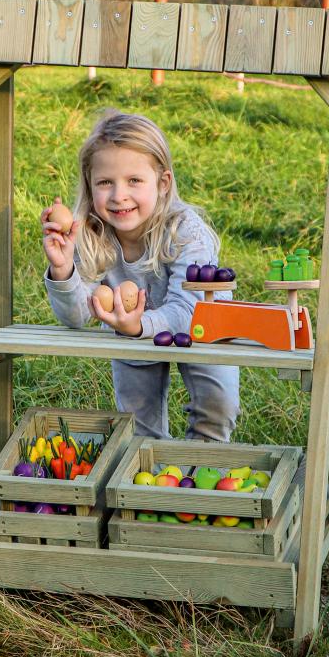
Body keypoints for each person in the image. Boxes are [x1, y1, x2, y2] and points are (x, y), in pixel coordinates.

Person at [41, 110, 239, 441]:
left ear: (163, 183)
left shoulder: (187, 232)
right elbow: (76, 316)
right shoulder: (92, 233)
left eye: (134, 180)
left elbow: (189, 312)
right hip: (129, 331)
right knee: (138, 425)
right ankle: (147, 485)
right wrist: (63, 270)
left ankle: (200, 481)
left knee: (217, 409)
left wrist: (137, 326)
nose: (119, 195)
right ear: (90, 186)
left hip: (206, 329)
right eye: (105, 182)